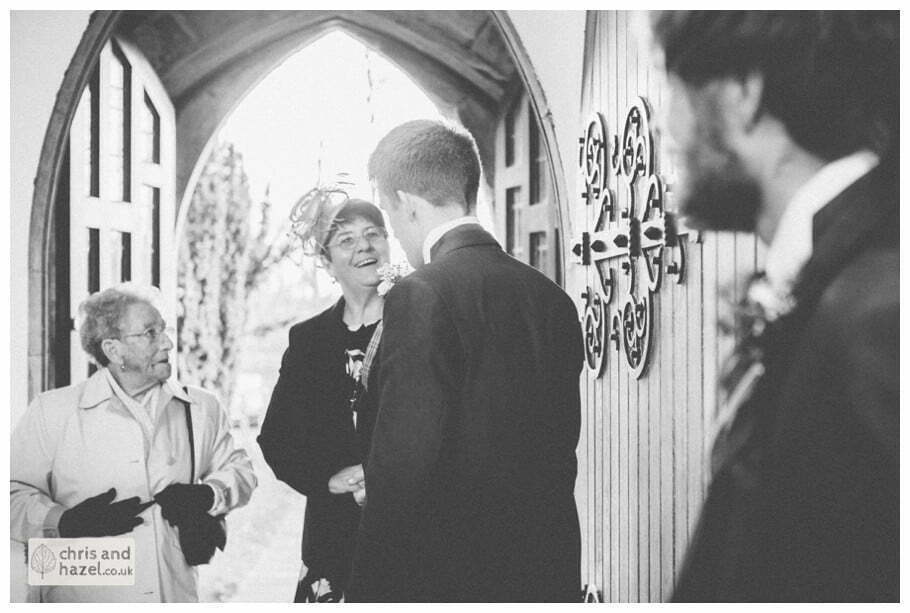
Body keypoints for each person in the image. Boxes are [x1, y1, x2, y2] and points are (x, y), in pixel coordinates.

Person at [651, 11, 898, 601]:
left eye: (676, 94)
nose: (668, 129)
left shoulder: (880, 312)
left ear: (743, 93)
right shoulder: (834, 271)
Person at [346, 120, 583, 602]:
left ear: (406, 203)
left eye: (390, 216)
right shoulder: (551, 299)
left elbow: (403, 469)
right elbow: (558, 446)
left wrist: (368, 592)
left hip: (451, 578)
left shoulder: (421, 294)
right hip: (545, 568)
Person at [10, 283, 257, 602]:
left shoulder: (200, 407)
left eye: (164, 330)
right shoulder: (52, 411)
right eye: (150, 333)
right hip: (82, 593)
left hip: (172, 592)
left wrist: (208, 494)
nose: (168, 342)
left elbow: (241, 471)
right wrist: (65, 520)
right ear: (113, 350)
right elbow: (11, 494)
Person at [257, 196, 390, 602]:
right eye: (346, 240)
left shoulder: (419, 323)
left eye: (373, 234)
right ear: (326, 261)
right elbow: (276, 439)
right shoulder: (309, 340)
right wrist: (327, 480)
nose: (364, 247)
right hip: (333, 541)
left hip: (411, 536)